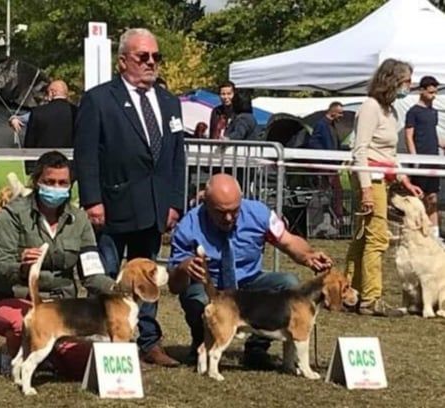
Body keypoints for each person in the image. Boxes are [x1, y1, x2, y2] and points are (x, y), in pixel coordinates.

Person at [74, 28, 185, 367]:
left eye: (156, 56)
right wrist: (92, 199)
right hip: (111, 208)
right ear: (123, 61)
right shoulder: (98, 100)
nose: (151, 62)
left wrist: (174, 202)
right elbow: (86, 155)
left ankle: (148, 341)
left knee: (150, 280)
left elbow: (177, 155)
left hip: (153, 209)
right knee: (107, 275)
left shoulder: (169, 102)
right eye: (143, 57)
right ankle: (100, 338)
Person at [168, 174, 333, 366]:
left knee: (289, 283)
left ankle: (257, 346)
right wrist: (183, 268)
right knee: (196, 299)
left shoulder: (259, 213)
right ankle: (203, 342)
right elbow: (174, 285)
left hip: (250, 282)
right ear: (206, 203)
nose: (228, 217)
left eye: (234, 211)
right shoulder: (188, 226)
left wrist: (308, 255)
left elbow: (288, 241)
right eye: (221, 212)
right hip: (212, 286)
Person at [0, 151, 114, 377]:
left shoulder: (79, 220)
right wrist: (21, 266)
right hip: (14, 298)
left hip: (62, 308)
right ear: (36, 182)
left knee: (87, 364)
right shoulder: (13, 215)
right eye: (49, 182)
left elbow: (91, 274)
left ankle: (49, 354)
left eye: (63, 183)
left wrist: (117, 289)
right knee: (22, 323)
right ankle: (15, 353)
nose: (56, 187)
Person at [345, 58, 423, 317]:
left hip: (384, 178)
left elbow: (390, 153)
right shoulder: (370, 107)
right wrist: (366, 189)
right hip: (370, 178)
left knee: (363, 236)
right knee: (377, 237)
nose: (408, 87)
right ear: (392, 80)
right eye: (405, 82)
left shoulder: (391, 111)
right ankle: (371, 298)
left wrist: (405, 180)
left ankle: (349, 292)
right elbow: (361, 150)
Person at [405, 76, 442, 240]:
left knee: (433, 197)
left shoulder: (433, 112)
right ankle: (416, 231)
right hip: (420, 160)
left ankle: (435, 234)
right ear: (422, 91)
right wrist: (415, 158)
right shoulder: (413, 112)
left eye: (435, 92)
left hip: (434, 159)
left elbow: (433, 135)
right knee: (418, 197)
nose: (433, 95)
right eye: (431, 92)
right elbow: (409, 136)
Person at [23, 80, 77, 175]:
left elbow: (30, 142)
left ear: (52, 92)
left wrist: (30, 168)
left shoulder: (37, 112)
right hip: (70, 166)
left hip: (43, 165)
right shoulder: (78, 113)